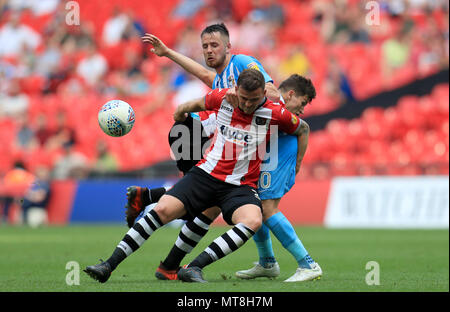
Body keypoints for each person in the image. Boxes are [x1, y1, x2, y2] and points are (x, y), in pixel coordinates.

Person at [136, 23, 322, 282]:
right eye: (205, 47)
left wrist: (258, 104)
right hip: (251, 150)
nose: (209, 51)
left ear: (228, 46)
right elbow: (201, 72)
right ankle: (267, 262)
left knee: (262, 208)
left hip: (277, 145)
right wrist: (168, 52)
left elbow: (269, 91)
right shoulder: (222, 79)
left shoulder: (242, 64)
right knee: (248, 205)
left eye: (214, 45)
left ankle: (307, 263)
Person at [84, 69, 306, 283]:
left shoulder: (275, 113)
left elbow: (303, 129)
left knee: (253, 220)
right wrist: (180, 114)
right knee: (162, 210)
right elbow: (193, 105)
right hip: (205, 175)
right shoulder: (222, 98)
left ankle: (193, 267)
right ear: (236, 90)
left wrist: (297, 165)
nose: (248, 104)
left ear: (264, 94)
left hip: (240, 185)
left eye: (254, 99)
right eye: (244, 98)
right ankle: (108, 266)